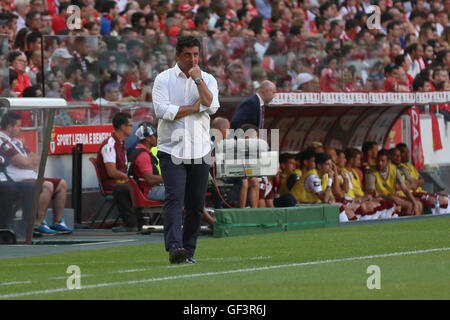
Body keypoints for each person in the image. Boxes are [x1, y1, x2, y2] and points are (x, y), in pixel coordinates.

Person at [152, 36, 220, 264]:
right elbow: (162, 111)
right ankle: (174, 247)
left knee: (196, 205)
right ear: (177, 56)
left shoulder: (207, 79)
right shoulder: (163, 79)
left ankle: (188, 252)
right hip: (171, 149)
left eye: (196, 55)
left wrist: (198, 80)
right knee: (174, 198)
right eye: (187, 55)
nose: (192, 59)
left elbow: (210, 106)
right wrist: (192, 107)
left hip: (200, 150)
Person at [0, 112, 72, 235]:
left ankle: (57, 222)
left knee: (61, 184)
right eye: (18, 126)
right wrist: (29, 162)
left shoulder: (17, 141)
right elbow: (23, 162)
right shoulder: (2, 142)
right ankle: (38, 223)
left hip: (31, 175)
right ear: (9, 127)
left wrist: (29, 162)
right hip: (19, 179)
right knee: (47, 186)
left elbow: (37, 159)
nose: (20, 128)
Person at [96, 112, 137, 232]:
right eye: (130, 125)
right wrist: (131, 179)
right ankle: (131, 223)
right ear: (122, 127)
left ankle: (140, 221)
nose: (132, 128)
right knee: (136, 187)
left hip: (121, 181)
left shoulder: (121, 143)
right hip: (113, 184)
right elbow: (112, 172)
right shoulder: (110, 145)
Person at [364, 149, 422, 216]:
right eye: (378, 160)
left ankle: (416, 225)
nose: (380, 163)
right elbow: (373, 194)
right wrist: (391, 197)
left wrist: (414, 202)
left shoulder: (393, 169)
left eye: (382, 161)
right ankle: (408, 225)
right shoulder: (371, 172)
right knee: (409, 206)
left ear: (388, 162)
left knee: (418, 204)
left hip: (392, 197)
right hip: (379, 198)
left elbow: (405, 189)